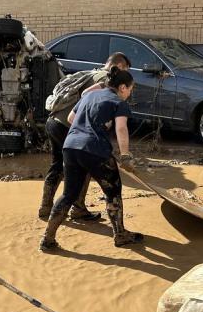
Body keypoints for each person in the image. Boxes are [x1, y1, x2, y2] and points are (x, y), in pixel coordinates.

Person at [40, 66, 143, 250]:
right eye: (130, 89)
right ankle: (120, 235)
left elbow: (71, 118)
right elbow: (121, 128)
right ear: (122, 87)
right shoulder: (119, 102)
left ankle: (48, 239)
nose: (130, 93)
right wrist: (125, 156)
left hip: (70, 146)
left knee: (68, 194)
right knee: (113, 191)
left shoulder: (89, 96)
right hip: (95, 149)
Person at [38, 52, 132, 221]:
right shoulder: (107, 79)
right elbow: (86, 95)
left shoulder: (91, 72)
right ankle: (78, 208)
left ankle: (45, 208)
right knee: (83, 167)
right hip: (69, 125)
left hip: (53, 121)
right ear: (118, 67)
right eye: (126, 70)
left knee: (57, 165)